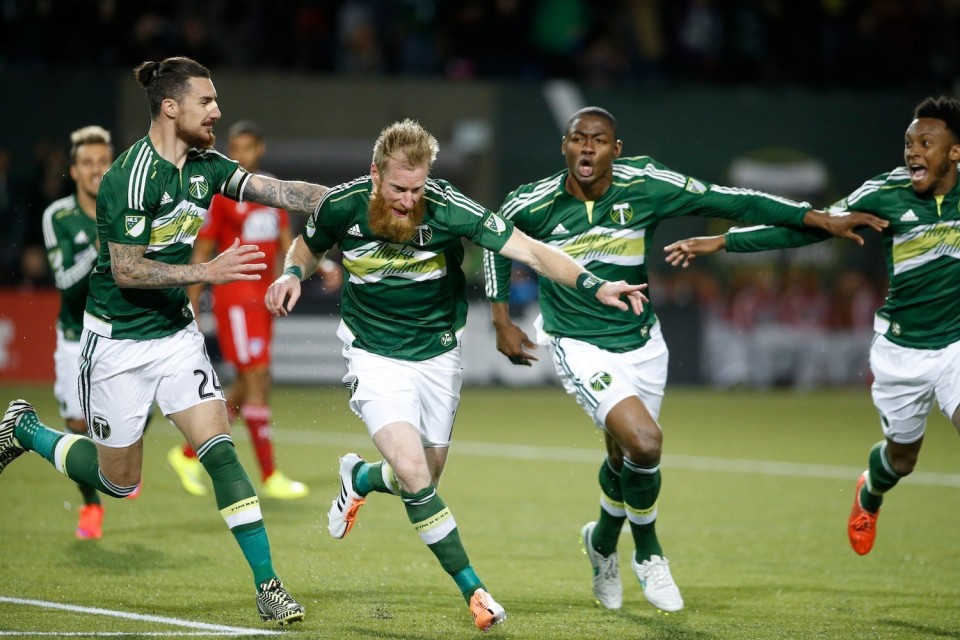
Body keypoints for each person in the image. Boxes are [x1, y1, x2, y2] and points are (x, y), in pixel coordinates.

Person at [483, 106, 886, 613]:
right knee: (646, 443)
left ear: (617, 149)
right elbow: (494, 238)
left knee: (623, 458)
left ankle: (603, 542)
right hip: (577, 342)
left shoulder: (646, 184)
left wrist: (817, 217)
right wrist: (501, 319)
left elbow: (732, 200)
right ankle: (649, 554)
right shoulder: (532, 202)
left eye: (600, 140)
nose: (588, 148)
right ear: (564, 146)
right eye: (578, 139)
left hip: (643, 342)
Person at [264, 118, 647, 631]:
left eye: (417, 188)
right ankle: (475, 591)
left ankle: (359, 476)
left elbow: (530, 250)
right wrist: (292, 273)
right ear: (375, 175)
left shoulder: (448, 208)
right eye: (398, 188)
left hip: (438, 355)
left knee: (423, 475)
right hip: (373, 354)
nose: (407, 200)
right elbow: (308, 249)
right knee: (417, 475)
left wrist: (595, 284)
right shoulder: (342, 204)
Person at [0, 56, 328, 626]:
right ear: (171, 107)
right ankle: (26, 429)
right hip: (117, 345)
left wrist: (346, 199)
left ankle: (268, 585)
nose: (217, 111)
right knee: (118, 482)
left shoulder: (205, 164)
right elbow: (126, 269)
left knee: (219, 450)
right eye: (207, 101)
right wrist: (209, 271)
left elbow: (272, 189)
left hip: (175, 337)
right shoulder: (128, 176)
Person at [664, 95, 958, 559]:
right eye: (908, 143)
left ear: (955, 152)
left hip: (956, 346)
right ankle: (870, 491)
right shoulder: (885, 192)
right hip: (904, 349)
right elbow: (806, 228)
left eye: (926, 142)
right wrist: (722, 241)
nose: (913, 152)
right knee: (901, 459)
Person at [168, 120, 308, 500]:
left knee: (253, 384)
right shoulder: (224, 195)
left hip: (262, 302)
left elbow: (286, 244)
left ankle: (187, 453)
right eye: (234, 147)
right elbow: (202, 253)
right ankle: (269, 475)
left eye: (246, 147)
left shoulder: (270, 190)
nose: (239, 155)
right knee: (256, 380)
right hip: (234, 301)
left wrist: (304, 271)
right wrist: (192, 305)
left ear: (259, 148)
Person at [42, 125, 117, 539]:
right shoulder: (59, 216)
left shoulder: (126, 207)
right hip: (76, 334)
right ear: (73, 170)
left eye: (103, 161)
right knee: (75, 421)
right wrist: (102, 247)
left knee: (128, 418)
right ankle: (91, 505)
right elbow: (66, 283)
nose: (96, 170)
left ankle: (129, 452)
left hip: (122, 335)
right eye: (87, 163)